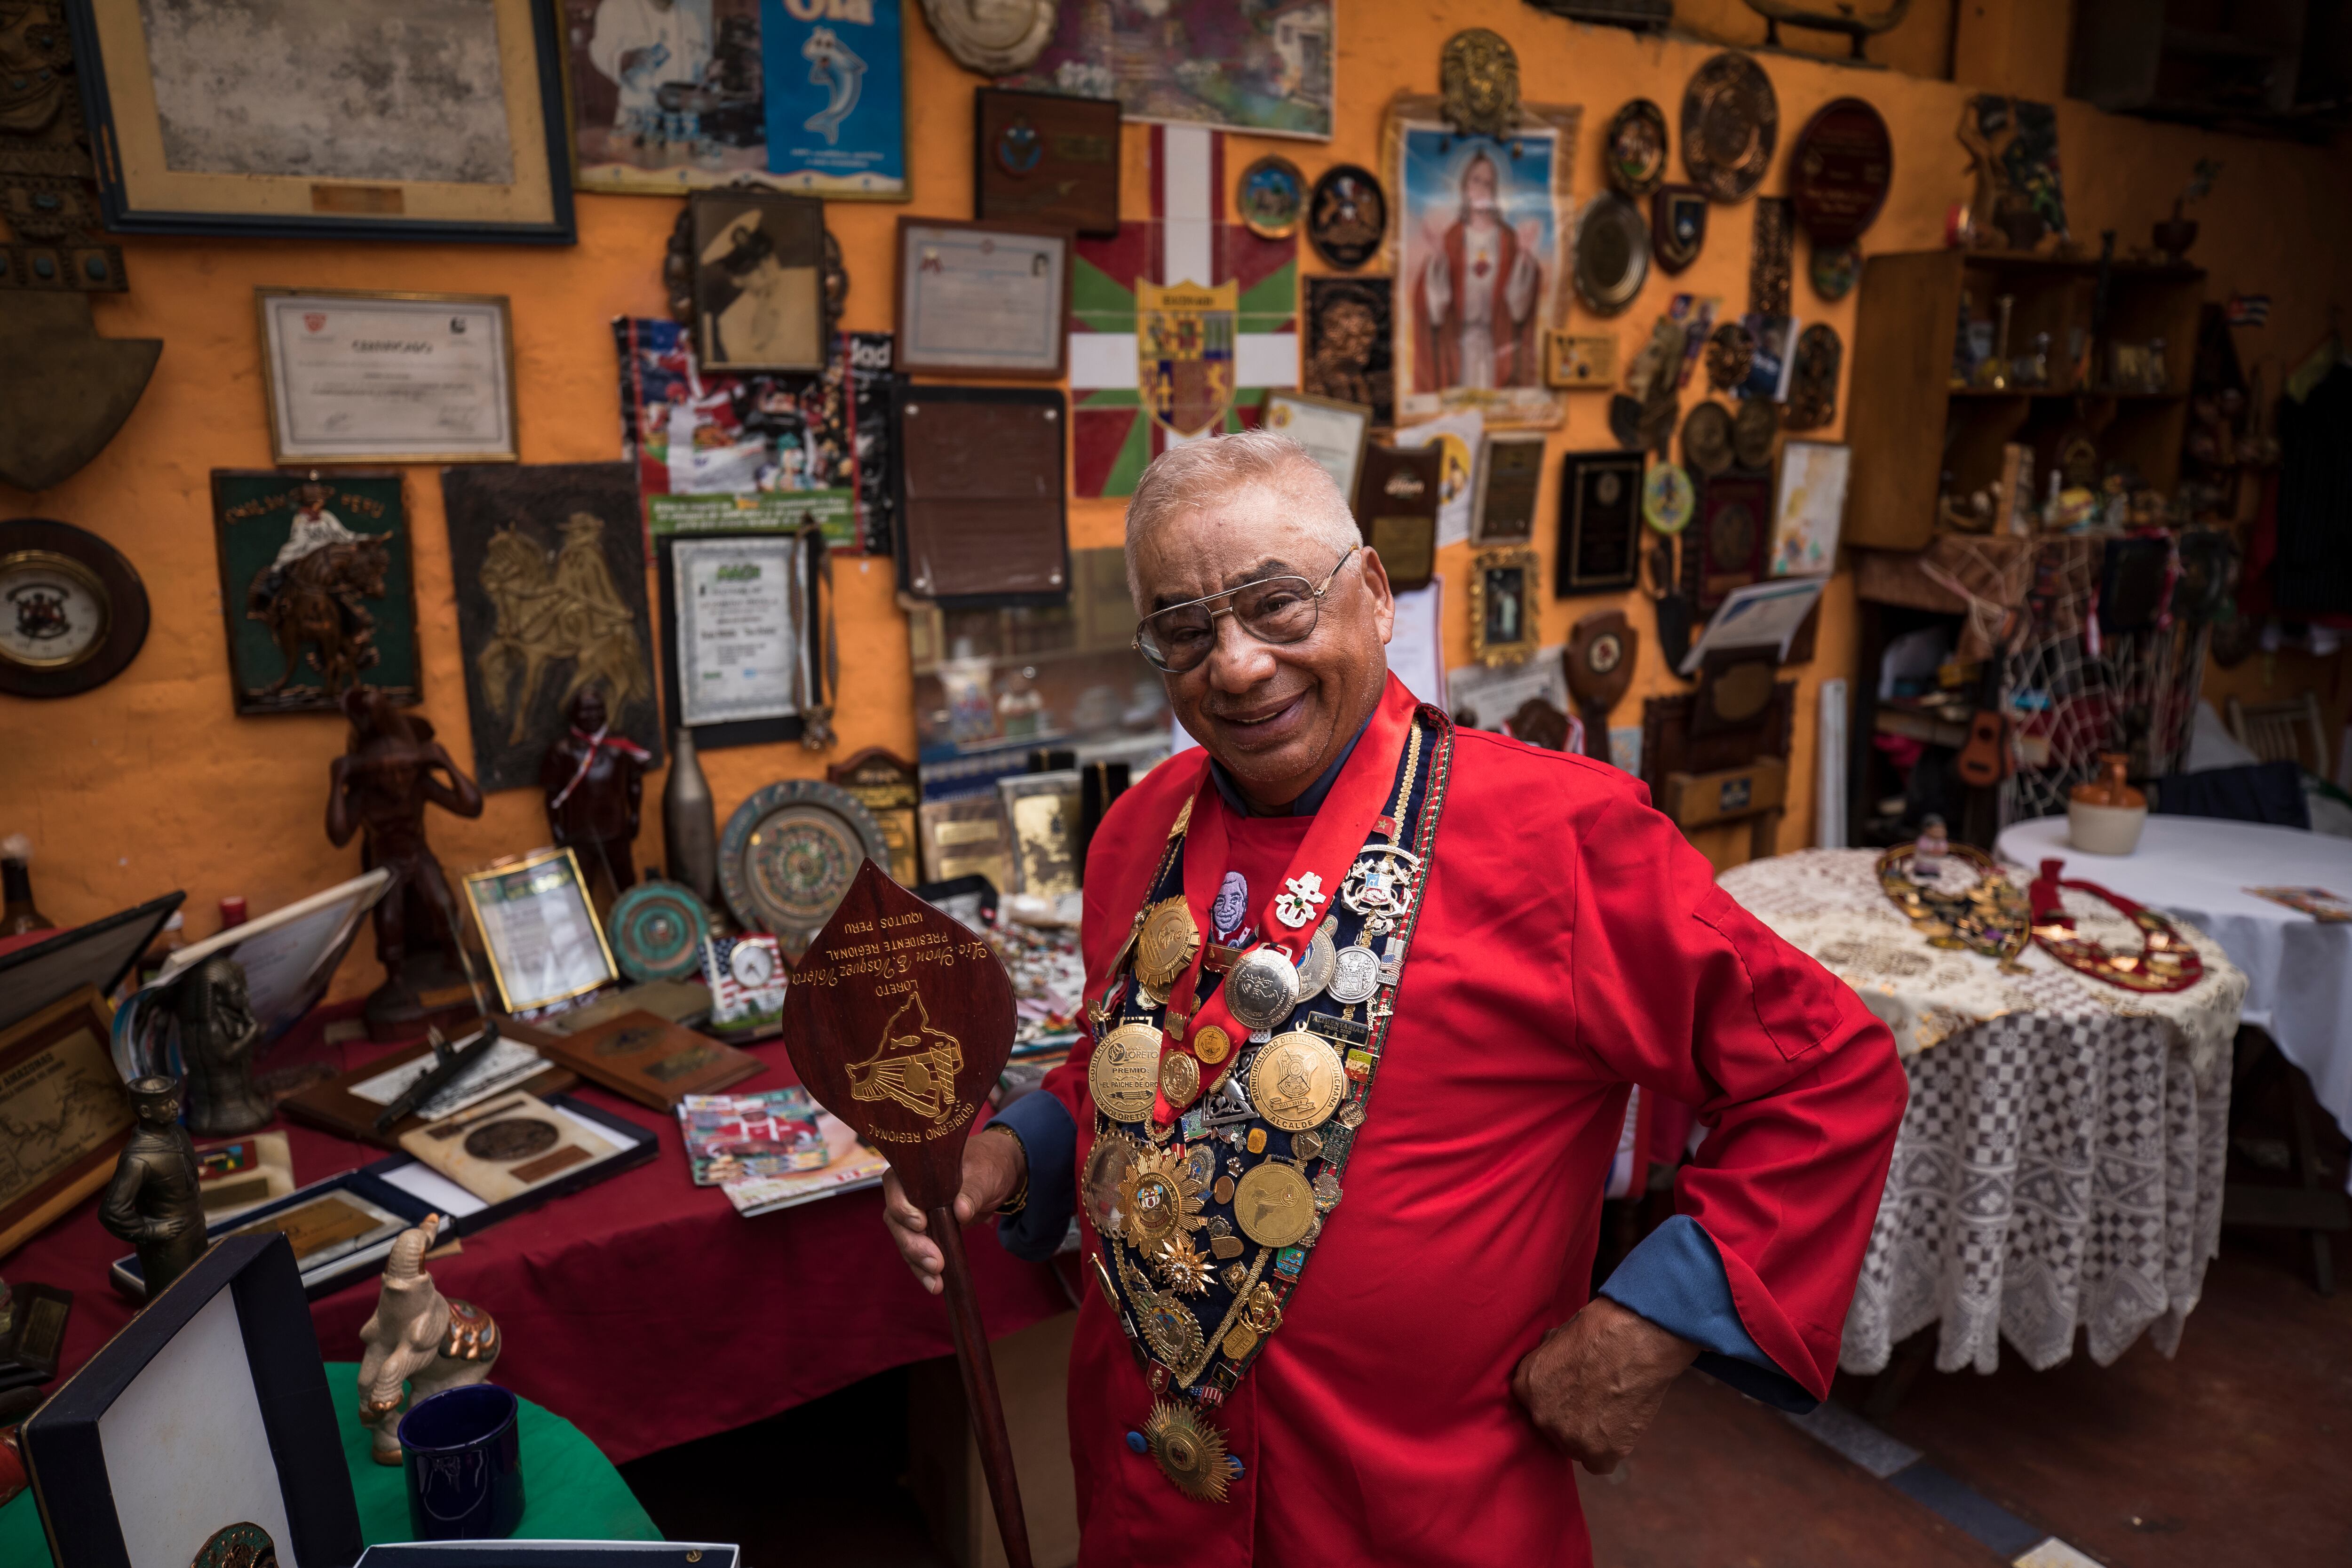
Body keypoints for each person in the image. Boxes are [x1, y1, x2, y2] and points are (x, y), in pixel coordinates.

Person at [880, 431, 1907, 1564]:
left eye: (1276, 605)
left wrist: (1641, 1325)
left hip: (1412, 1510)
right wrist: (1015, 1151)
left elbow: (1831, 1071)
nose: (1235, 664)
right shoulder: (1136, 832)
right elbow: (1148, 1072)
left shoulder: (1558, 839)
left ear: (1371, 594)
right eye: (1183, 629)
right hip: (1152, 1491)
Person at [1413, 150, 1542, 392]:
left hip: (1497, 346)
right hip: (1458, 348)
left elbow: (1518, 309)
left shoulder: (1509, 240)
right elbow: (1435, 311)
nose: (1483, 188)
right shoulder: (1451, 239)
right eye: (1476, 181)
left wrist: (1524, 257)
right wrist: (1439, 257)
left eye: (1489, 183)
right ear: (1464, 187)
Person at [587, 0, 713, 148]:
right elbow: (599, 50)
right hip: (638, 122)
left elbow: (699, 56)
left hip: (683, 123)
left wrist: (709, 67)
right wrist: (627, 58)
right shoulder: (617, 6)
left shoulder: (689, 14)